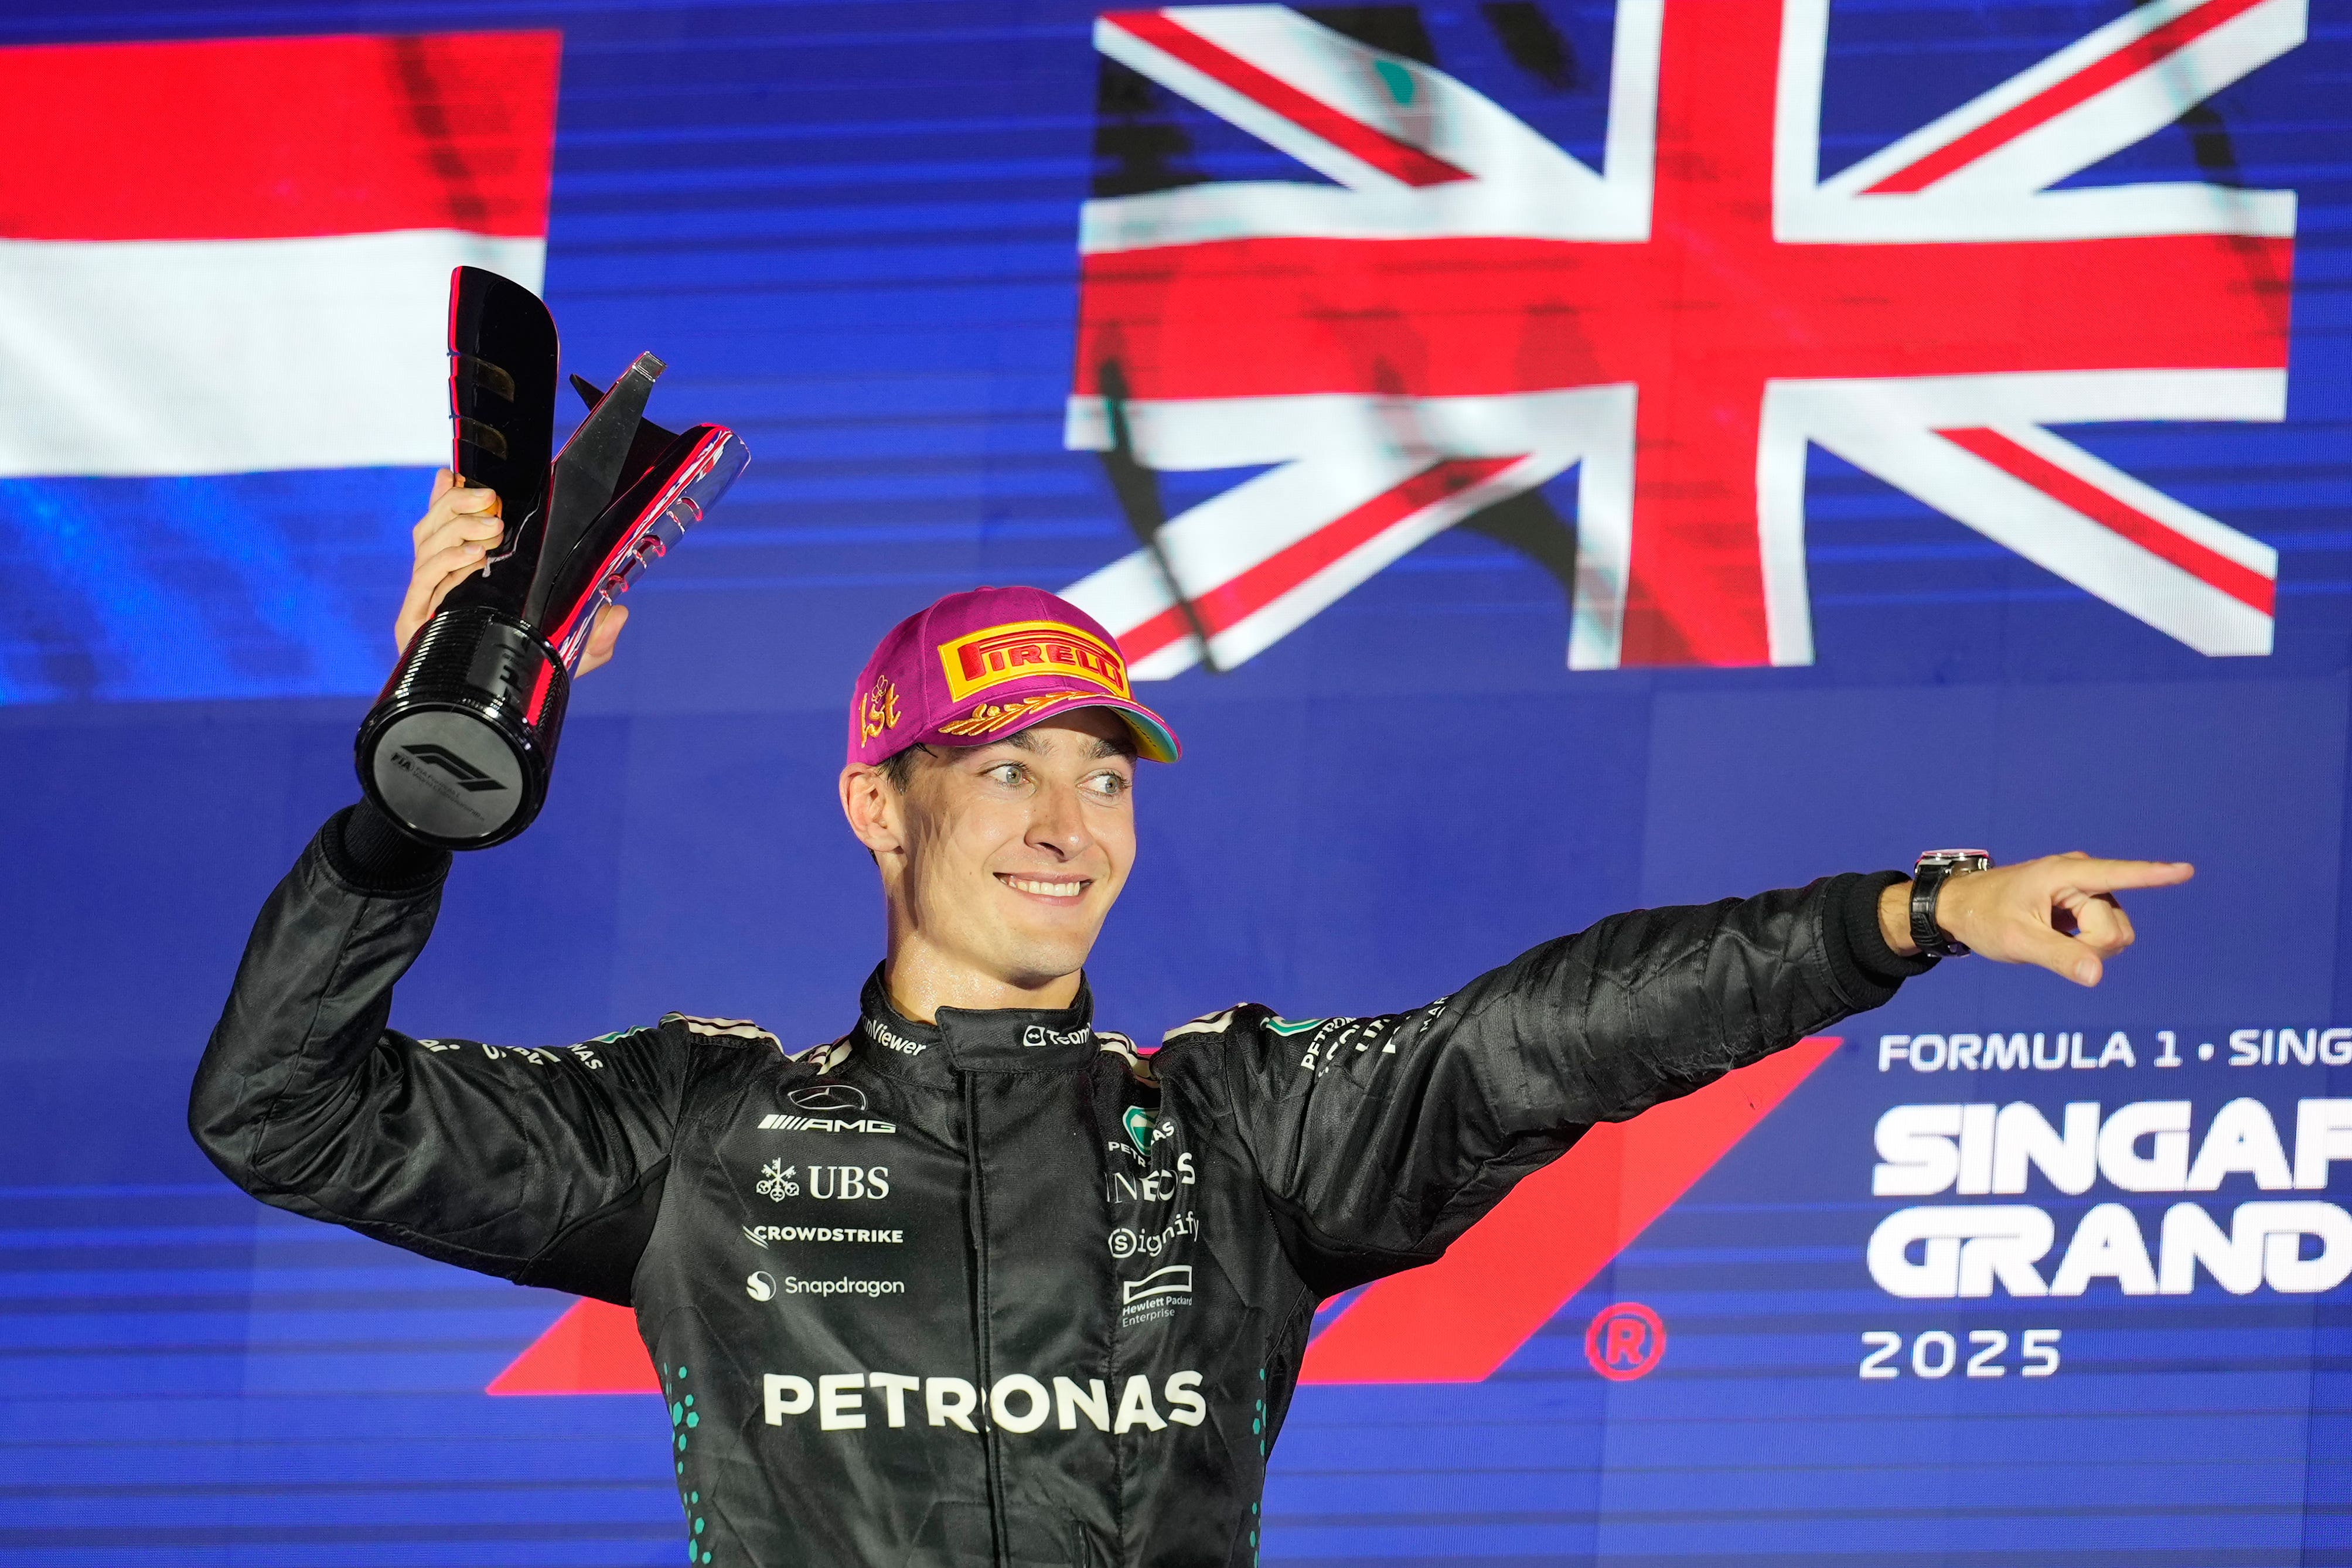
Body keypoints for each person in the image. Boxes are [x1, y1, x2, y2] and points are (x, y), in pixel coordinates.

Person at [192, 475, 2193, 1567]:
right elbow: (280, 1107)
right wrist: (416, 791)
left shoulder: (1236, 1125)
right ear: (878, 806)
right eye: (1006, 774)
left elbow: (1552, 1036)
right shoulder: (694, 1130)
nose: (1069, 829)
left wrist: (1904, 911)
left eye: (1110, 774)